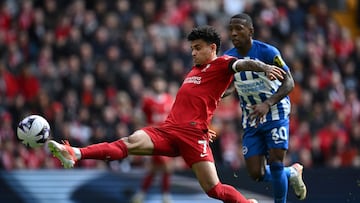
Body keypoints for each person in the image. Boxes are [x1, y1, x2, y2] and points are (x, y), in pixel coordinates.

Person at [48, 25, 286, 203]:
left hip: (192, 136)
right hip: (169, 129)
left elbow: (242, 65)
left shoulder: (223, 63)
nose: (193, 53)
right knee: (128, 142)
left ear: (212, 48)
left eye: (198, 48)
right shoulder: (195, 70)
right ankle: (75, 153)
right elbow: (200, 100)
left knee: (213, 189)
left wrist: (264, 67)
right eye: (191, 48)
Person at [223, 13, 307, 202]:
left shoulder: (268, 52)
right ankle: (291, 173)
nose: (234, 34)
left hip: (275, 111)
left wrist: (267, 103)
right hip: (251, 116)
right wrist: (220, 94)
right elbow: (229, 86)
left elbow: (289, 83)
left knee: (276, 163)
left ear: (251, 31)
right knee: (256, 173)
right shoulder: (228, 57)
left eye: (239, 29)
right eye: (231, 30)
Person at [132, 75, 175, 203]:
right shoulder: (147, 101)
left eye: (160, 81)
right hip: (154, 137)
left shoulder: (170, 99)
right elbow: (138, 116)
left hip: (168, 137)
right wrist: (145, 129)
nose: (158, 84)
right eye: (156, 81)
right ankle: (165, 196)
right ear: (153, 84)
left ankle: (141, 194)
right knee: (166, 166)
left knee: (155, 168)